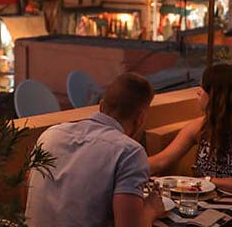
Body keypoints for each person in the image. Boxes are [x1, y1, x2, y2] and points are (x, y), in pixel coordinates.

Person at [25, 72, 164, 227]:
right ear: (140, 119)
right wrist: (151, 209)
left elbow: (28, 195)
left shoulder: (50, 135)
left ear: (101, 105)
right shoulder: (129, 152)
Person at [148, 63, 232, 226]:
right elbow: (162, 160)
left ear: (218, 96)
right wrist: (126, 167)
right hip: (207, 204)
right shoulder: (200, 127)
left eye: (203, 88)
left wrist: (205, 181)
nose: (198, 92)